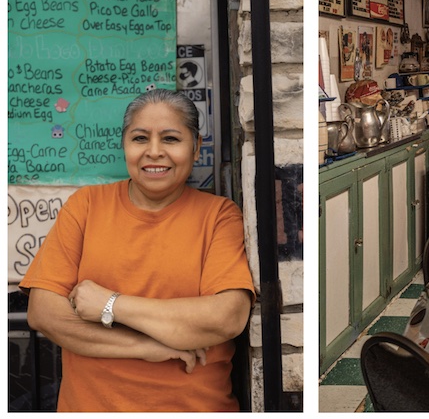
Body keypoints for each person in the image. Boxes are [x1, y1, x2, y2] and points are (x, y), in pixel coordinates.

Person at [19, 89, 255, 412]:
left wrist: (110, 304)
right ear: (125, 145)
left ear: (197, 147)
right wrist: (146, 346)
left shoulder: (219, 217)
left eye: (171, 139)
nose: (154, 152)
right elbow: (43, 312)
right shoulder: (86, 207)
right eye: (140, 138)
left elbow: (227, 317)